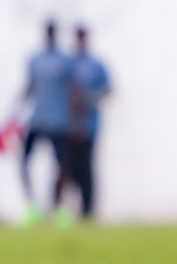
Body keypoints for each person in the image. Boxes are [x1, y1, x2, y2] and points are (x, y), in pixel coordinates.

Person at [56, 25, 111, 221]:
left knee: (86, 167)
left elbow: (107, 89)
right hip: (68, 126)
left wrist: (87, 99)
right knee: (67, 167)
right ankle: (64, 208)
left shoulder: (96, 65)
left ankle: (88, 210)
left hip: (89, 125)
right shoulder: (67, 64)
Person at [19, 20, 71, 224]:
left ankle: (57, 206)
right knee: (24, 161)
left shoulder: (65, 60)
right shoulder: (35, 60)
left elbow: (72, 89)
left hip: (58, 121)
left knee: (62, 165)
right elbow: (29, 87)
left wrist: (75, 119)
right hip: (37, 119)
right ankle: (32, 206)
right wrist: (14, 114)